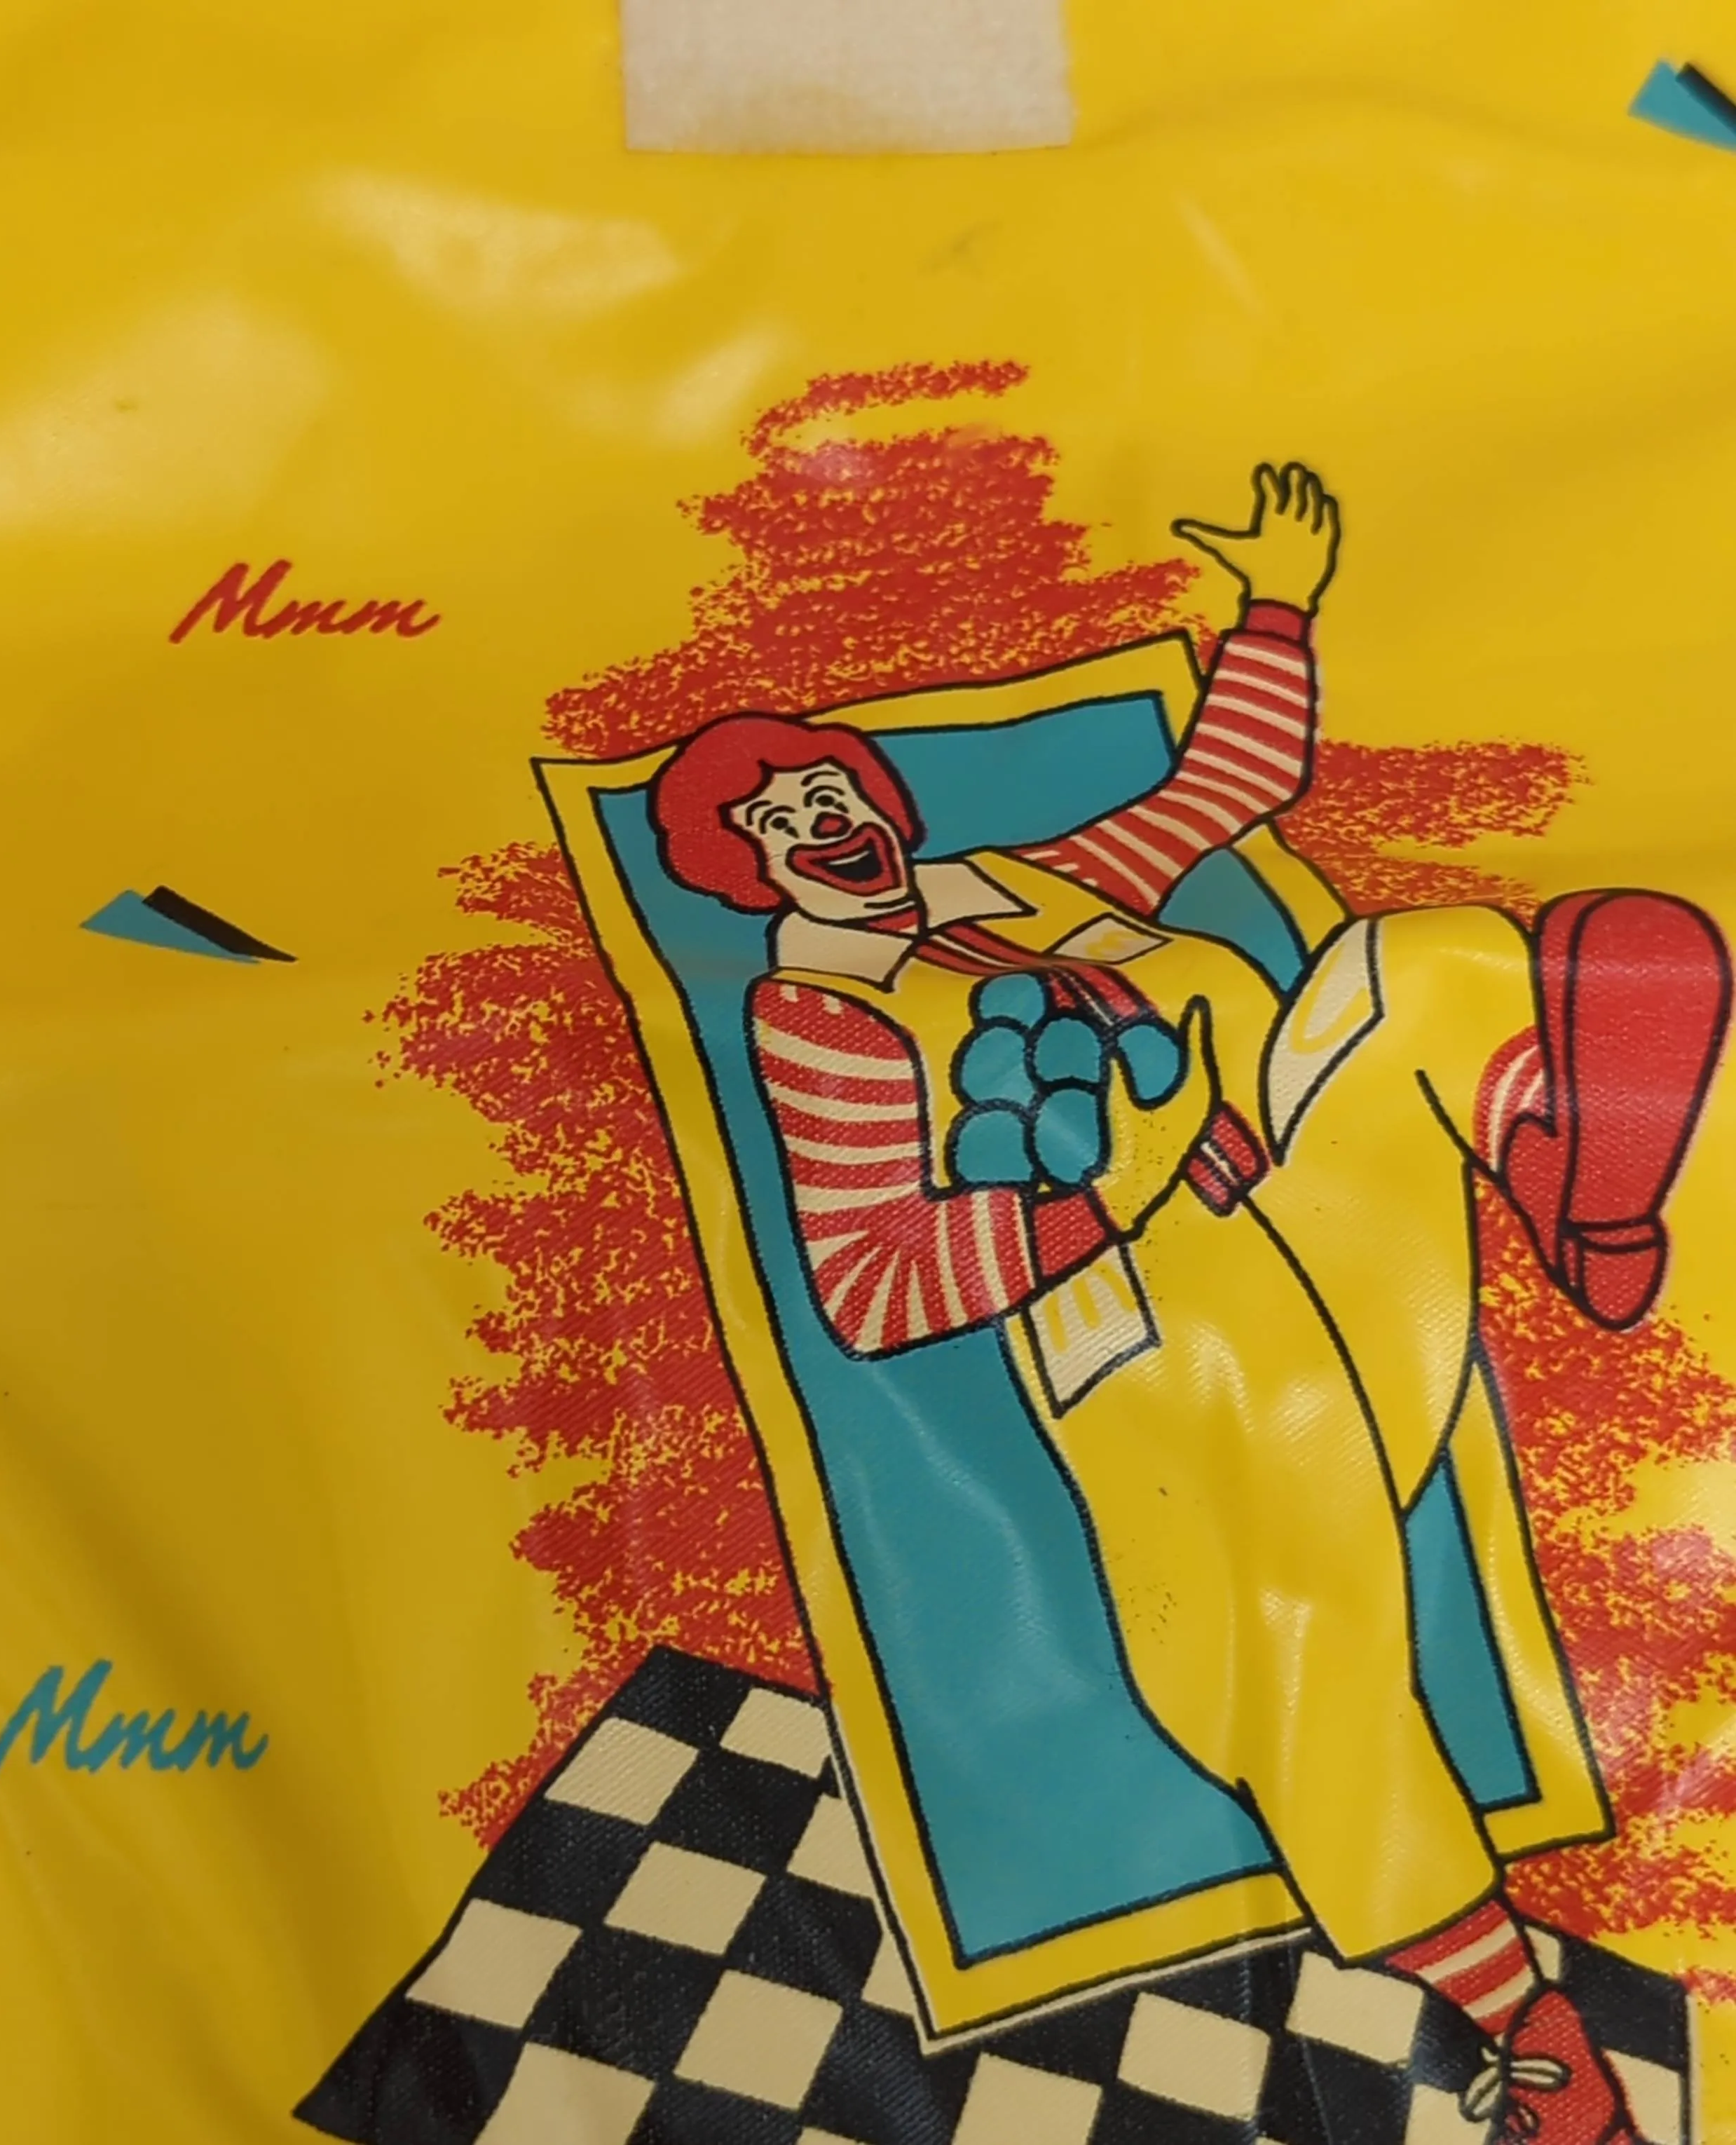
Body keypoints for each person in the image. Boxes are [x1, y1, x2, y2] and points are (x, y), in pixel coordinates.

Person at [650, 465, 1730, 2145]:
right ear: (742, 868)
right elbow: (872, 1285)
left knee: (1396, 968)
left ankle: (1574, 1172)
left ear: (875, 794)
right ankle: (1537, 2036)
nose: (817, 820)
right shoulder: (822, 1020)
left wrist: (1278, 609)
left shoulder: (1018, 881)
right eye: (774, 820)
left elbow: (1227, 788)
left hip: (1318, 1237)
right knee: (1278, 1690)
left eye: (825, 786)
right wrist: (1101, 1195)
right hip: (1157, 1361)